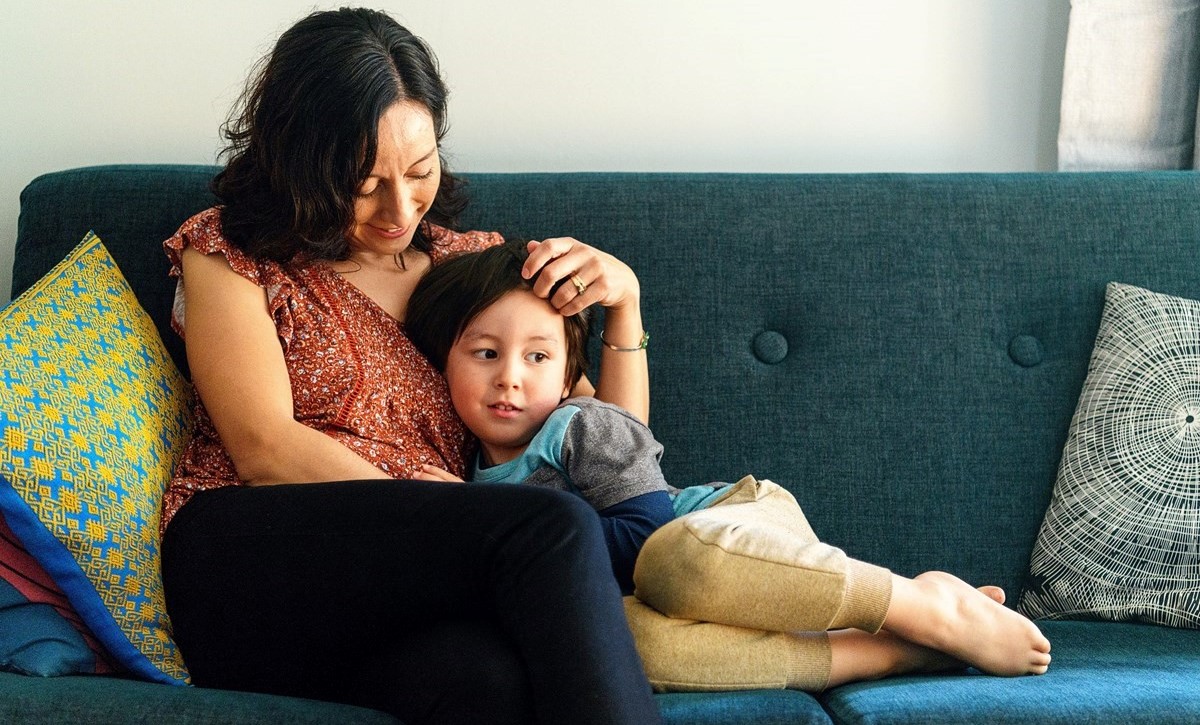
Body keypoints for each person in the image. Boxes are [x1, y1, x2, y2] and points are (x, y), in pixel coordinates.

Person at [157, 8, 662, 725]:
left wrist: (626, 304)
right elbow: (264, 448)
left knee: (485, 684)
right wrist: (462, 514)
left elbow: (606, 448)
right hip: (253, 562)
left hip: (408, 596)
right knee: (552, 526)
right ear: (302, 163)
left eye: (419, 172)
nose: (400, 208)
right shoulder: (231, 256)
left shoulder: (474, 270)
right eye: (364, 183)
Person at [406, 240, 1054, 693]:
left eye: (538, 357)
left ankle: (924, 603)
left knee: (672, 560)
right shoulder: (464, 475)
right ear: (443, 365)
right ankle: (887, 650)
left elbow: (641, 532)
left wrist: (507, 529)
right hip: (701, 603)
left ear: (572, 370)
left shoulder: (580, 425)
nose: (510, 378)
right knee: (635, 646)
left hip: (735, 528)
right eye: (486, 353)